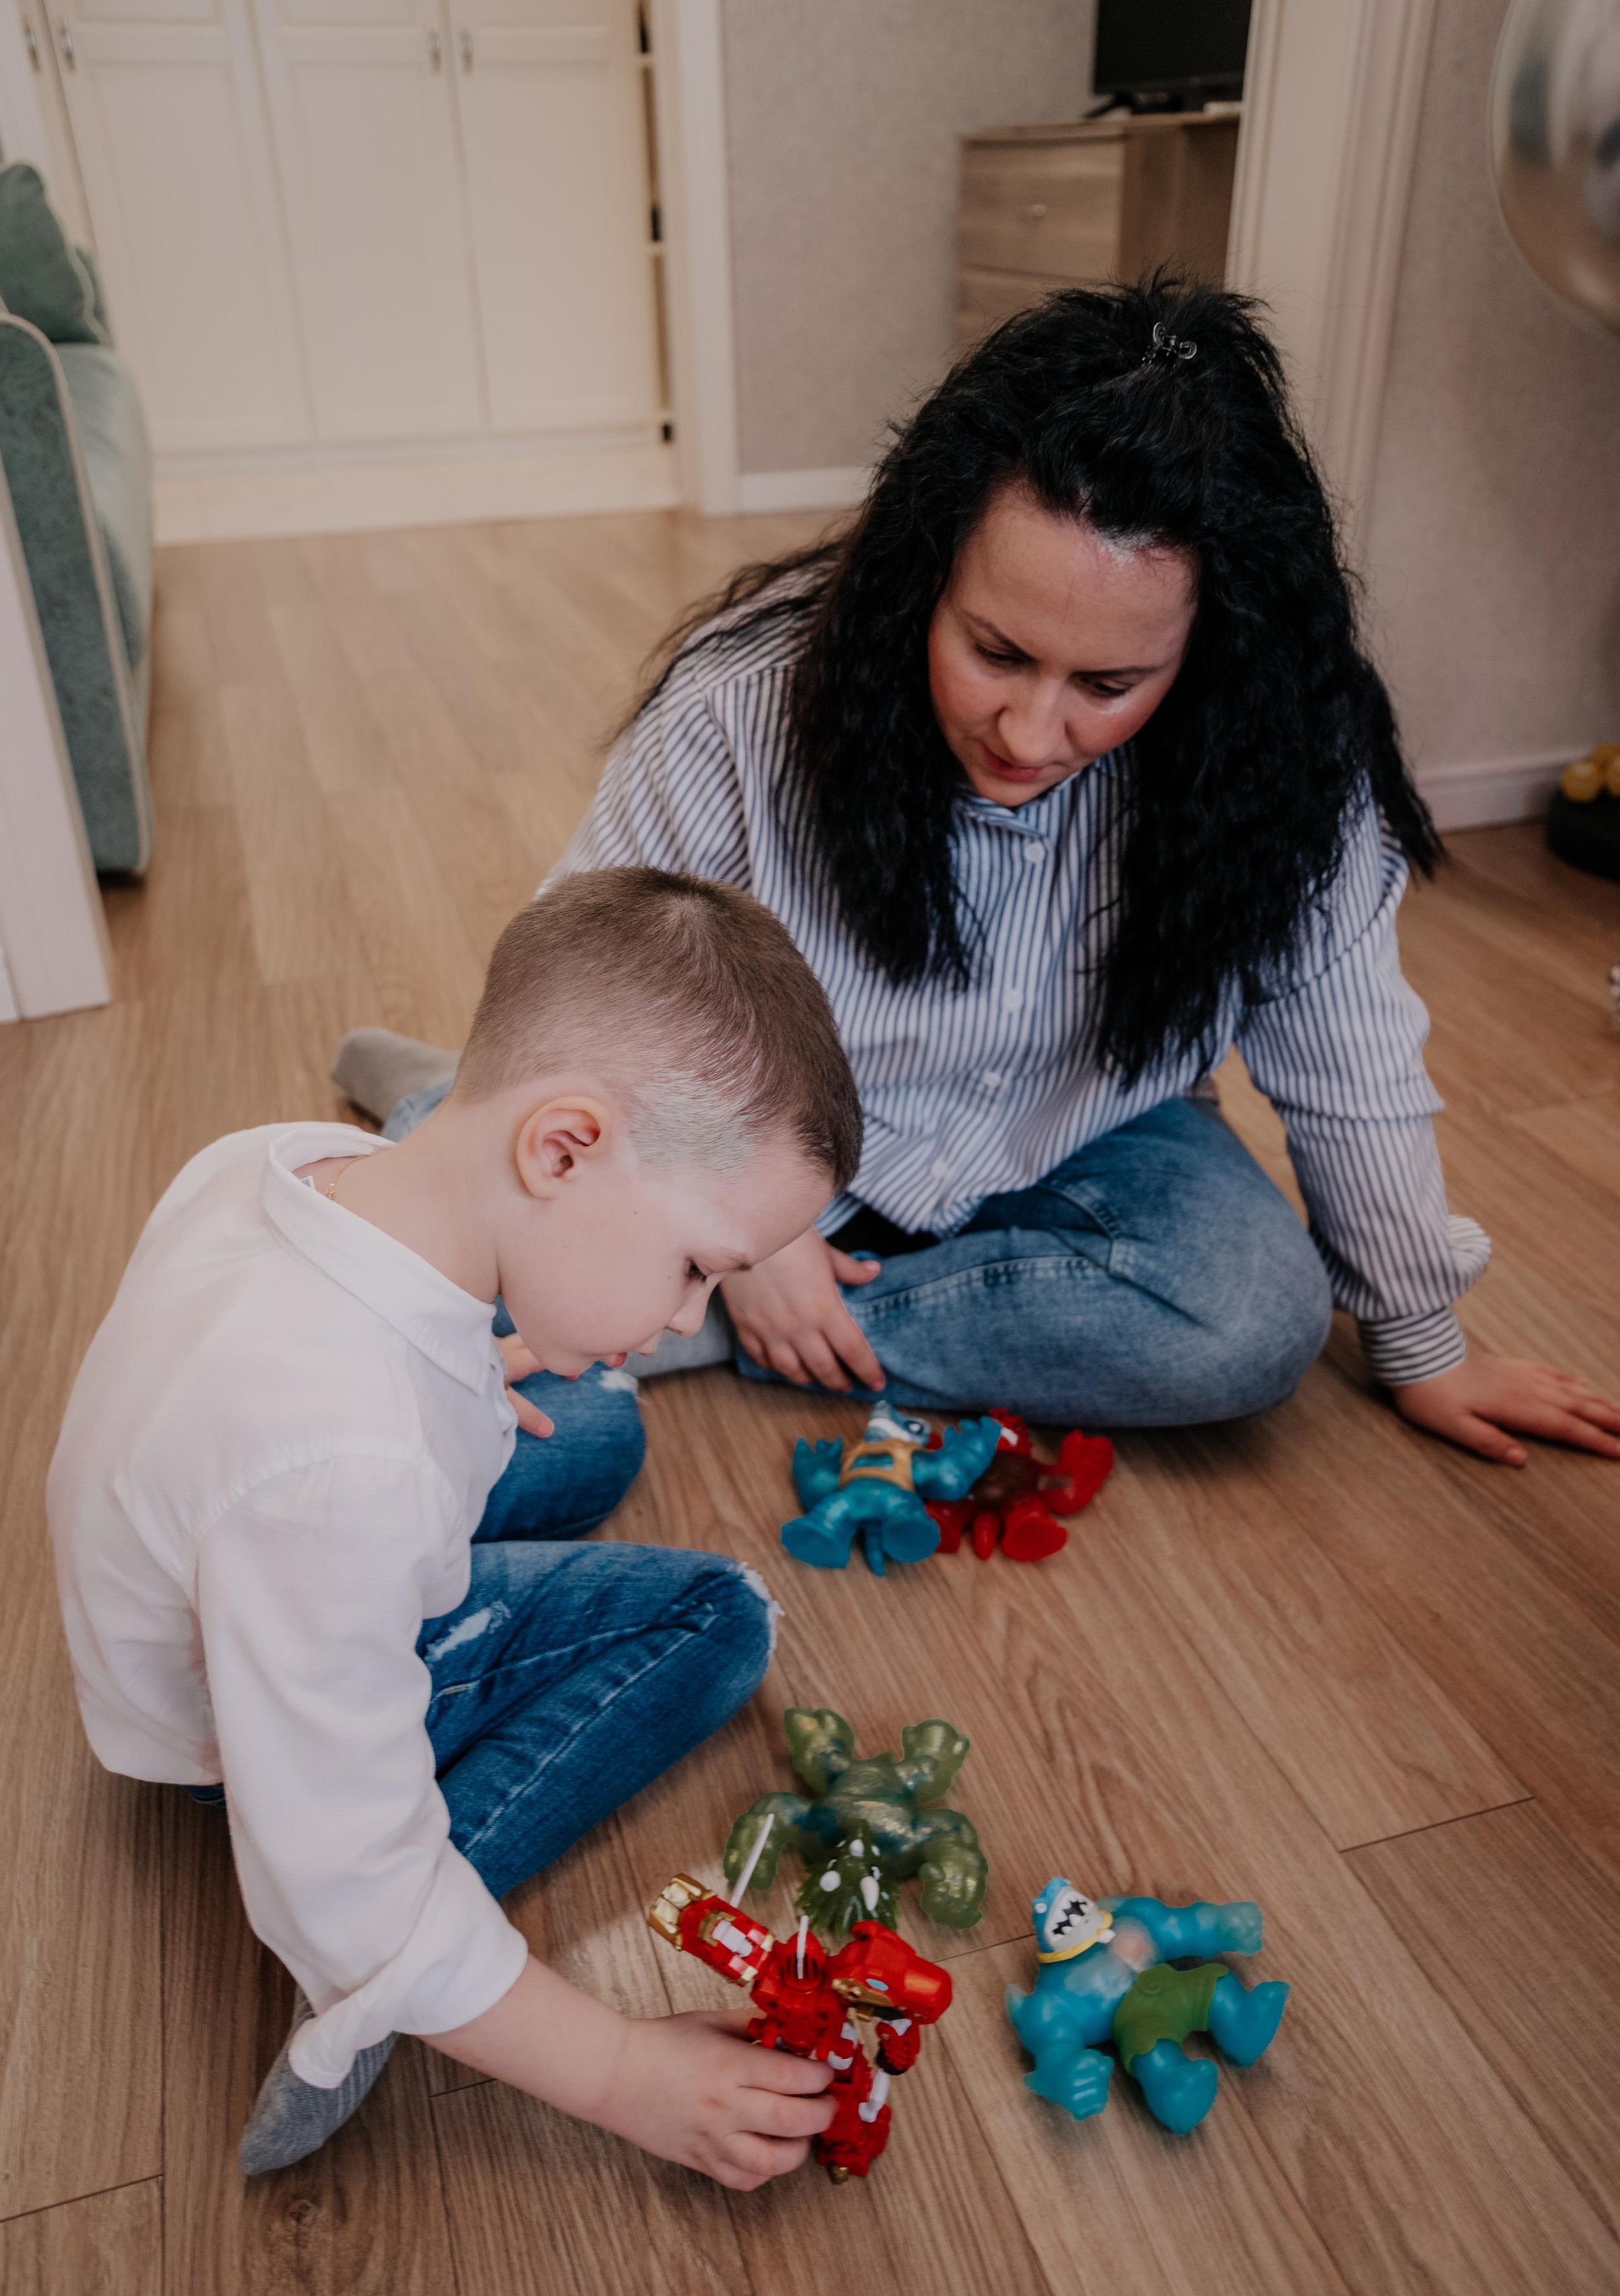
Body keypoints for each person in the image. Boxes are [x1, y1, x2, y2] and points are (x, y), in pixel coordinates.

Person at [338, 277, 1620, 1472]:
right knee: (464, 1355)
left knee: (1245, 1322)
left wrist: (1420, 1343)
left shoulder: (1290, 766)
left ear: (1206, 651)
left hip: (1089, 1129)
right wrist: (752, 1235)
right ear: (924, 579)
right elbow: (594, 964)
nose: (1025, 733)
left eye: (1107, 687)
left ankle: (672, 1286)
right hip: (760, 1136)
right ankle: (487, 1126)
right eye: (994, 651)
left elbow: (1352, 1068)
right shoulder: (745, 699)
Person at [48, 869, 864, 2183]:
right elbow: (344, 1858)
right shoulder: (342, 1464)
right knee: (719, 1617)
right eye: (698, 1265)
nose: (686, 1317)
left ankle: (402, 1959)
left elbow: (274, 1417)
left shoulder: (287, 1162)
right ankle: (385, 1987)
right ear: (562, 1148)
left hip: (222, 1559)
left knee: (599, 1419)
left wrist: (465, 1372)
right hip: (226, 1721)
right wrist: (621, 2073)